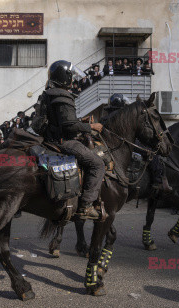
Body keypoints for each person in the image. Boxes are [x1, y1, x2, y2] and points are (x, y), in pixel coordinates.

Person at [43, 60, 105, 219]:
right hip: (65, 142)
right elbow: (69, 126)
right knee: (98, 164)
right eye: (70, 76)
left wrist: (79, 121)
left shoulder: (49, 94)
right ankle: (86, 206)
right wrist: (92, 127)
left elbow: (60, 120)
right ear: (64, 77)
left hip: (49, 139)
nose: (73, 79)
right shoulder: (64, 97)